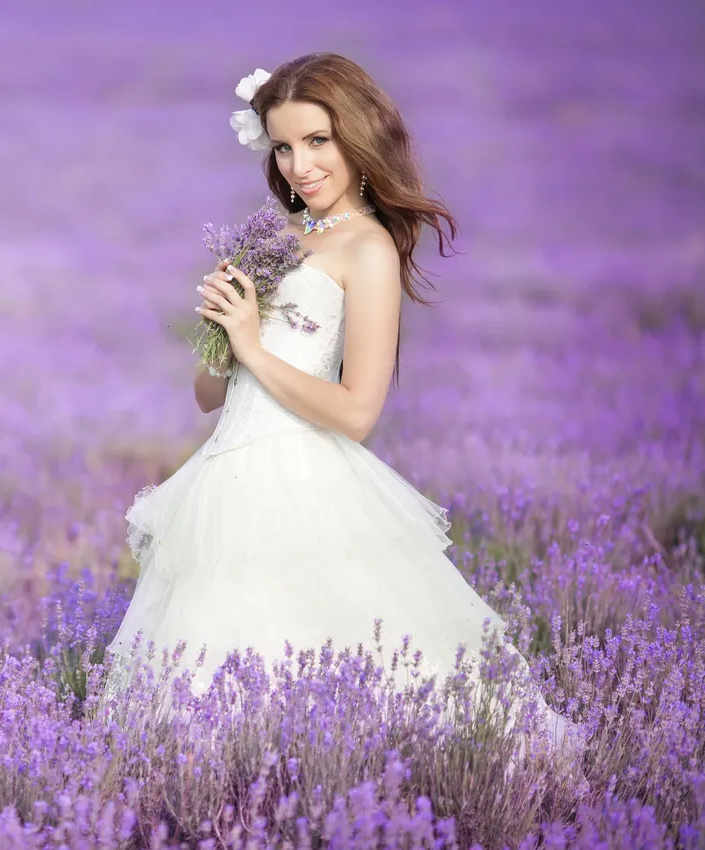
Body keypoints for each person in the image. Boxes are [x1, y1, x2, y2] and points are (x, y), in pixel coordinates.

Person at [99, 53, 576, 750]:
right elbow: (207, 396)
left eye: (317, 141)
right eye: (284, 146)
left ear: (356, 134)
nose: (299, 166)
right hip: (225, 478)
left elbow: (358, 413)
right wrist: (220, 334)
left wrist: (254, 346)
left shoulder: (369, 247)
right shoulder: (271, 235)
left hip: (305, 480)